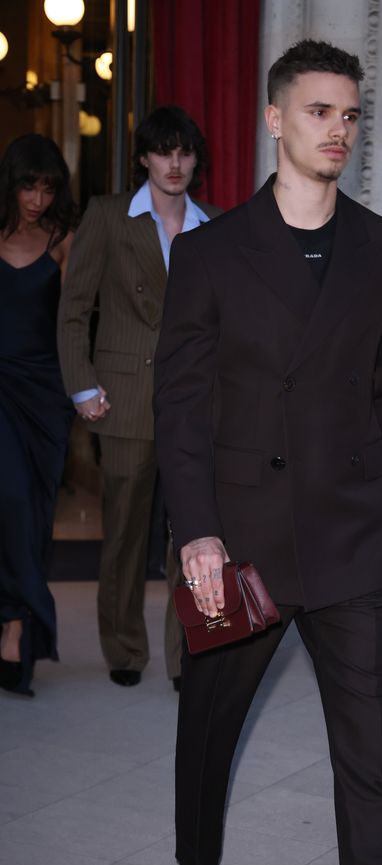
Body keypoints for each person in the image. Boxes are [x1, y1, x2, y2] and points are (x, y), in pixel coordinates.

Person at [154, 39, 382, 865]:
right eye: (318, 110)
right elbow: (183, 404)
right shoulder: (208, 252)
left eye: (349, 115)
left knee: (367, 754)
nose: (336, 128)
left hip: (348, 536)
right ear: (275, 120)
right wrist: (194, 529)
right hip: (239, 540)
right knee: (211, 724)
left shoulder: (380, 243)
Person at [57, 106, 221, 689]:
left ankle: (187, 658)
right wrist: (82, 385)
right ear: (145, 157)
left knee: (195, 538)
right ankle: (125, 649)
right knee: (124, 536)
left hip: (196, 408)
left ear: (196, 160)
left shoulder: (213, 225)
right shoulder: (108, 216)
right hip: (123, 400)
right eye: (163, 151)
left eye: (184, 152)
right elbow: (74, 309)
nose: (174, 164)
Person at [0, 134, 76, 697]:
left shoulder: (62, 239)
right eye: (29, 185)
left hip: (44, 396)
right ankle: (14, 622)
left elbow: (72, 327)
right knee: (12, 501)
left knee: (34, 511)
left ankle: (16, 624)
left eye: (48, 188)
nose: (38, 198)